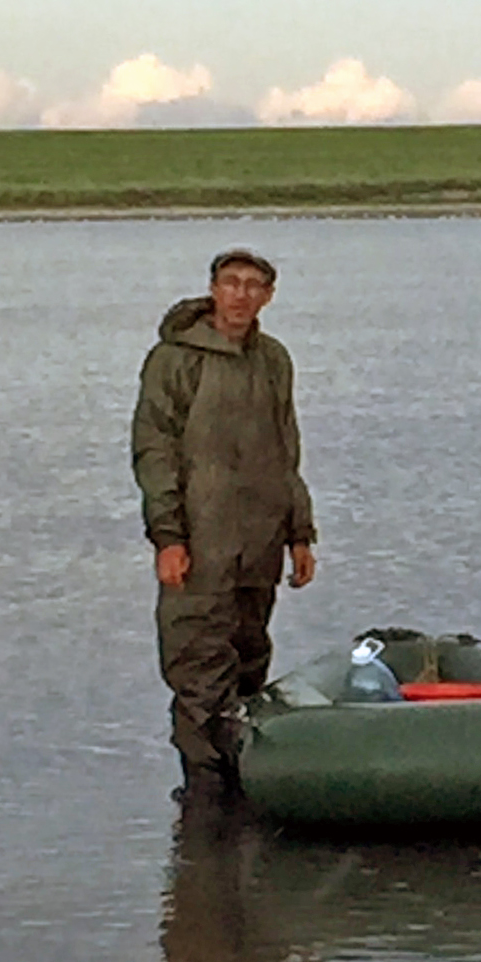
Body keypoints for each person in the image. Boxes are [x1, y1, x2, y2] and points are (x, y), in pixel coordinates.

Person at [131, 247, 317, 807]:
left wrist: (300, 533)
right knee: (197, 668)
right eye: (231, 283)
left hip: (259, 543)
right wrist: (168, 536)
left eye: (253, 285)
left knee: (248, 662)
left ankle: (242, 793)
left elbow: (287, 448)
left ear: (268, 296)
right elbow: (153, 449)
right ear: (213, 289)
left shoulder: (273, 359)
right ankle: (205, 796)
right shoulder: (174, 359)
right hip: (199, 545)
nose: (240, 294)